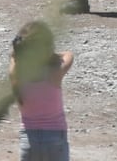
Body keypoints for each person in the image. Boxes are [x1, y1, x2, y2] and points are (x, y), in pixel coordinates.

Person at [9, 20, 73, 161]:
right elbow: (69, 55)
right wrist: (51, 56)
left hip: (28, 140)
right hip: (55, 139)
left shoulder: (16, 76)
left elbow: (13, 57)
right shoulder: (54, 74)